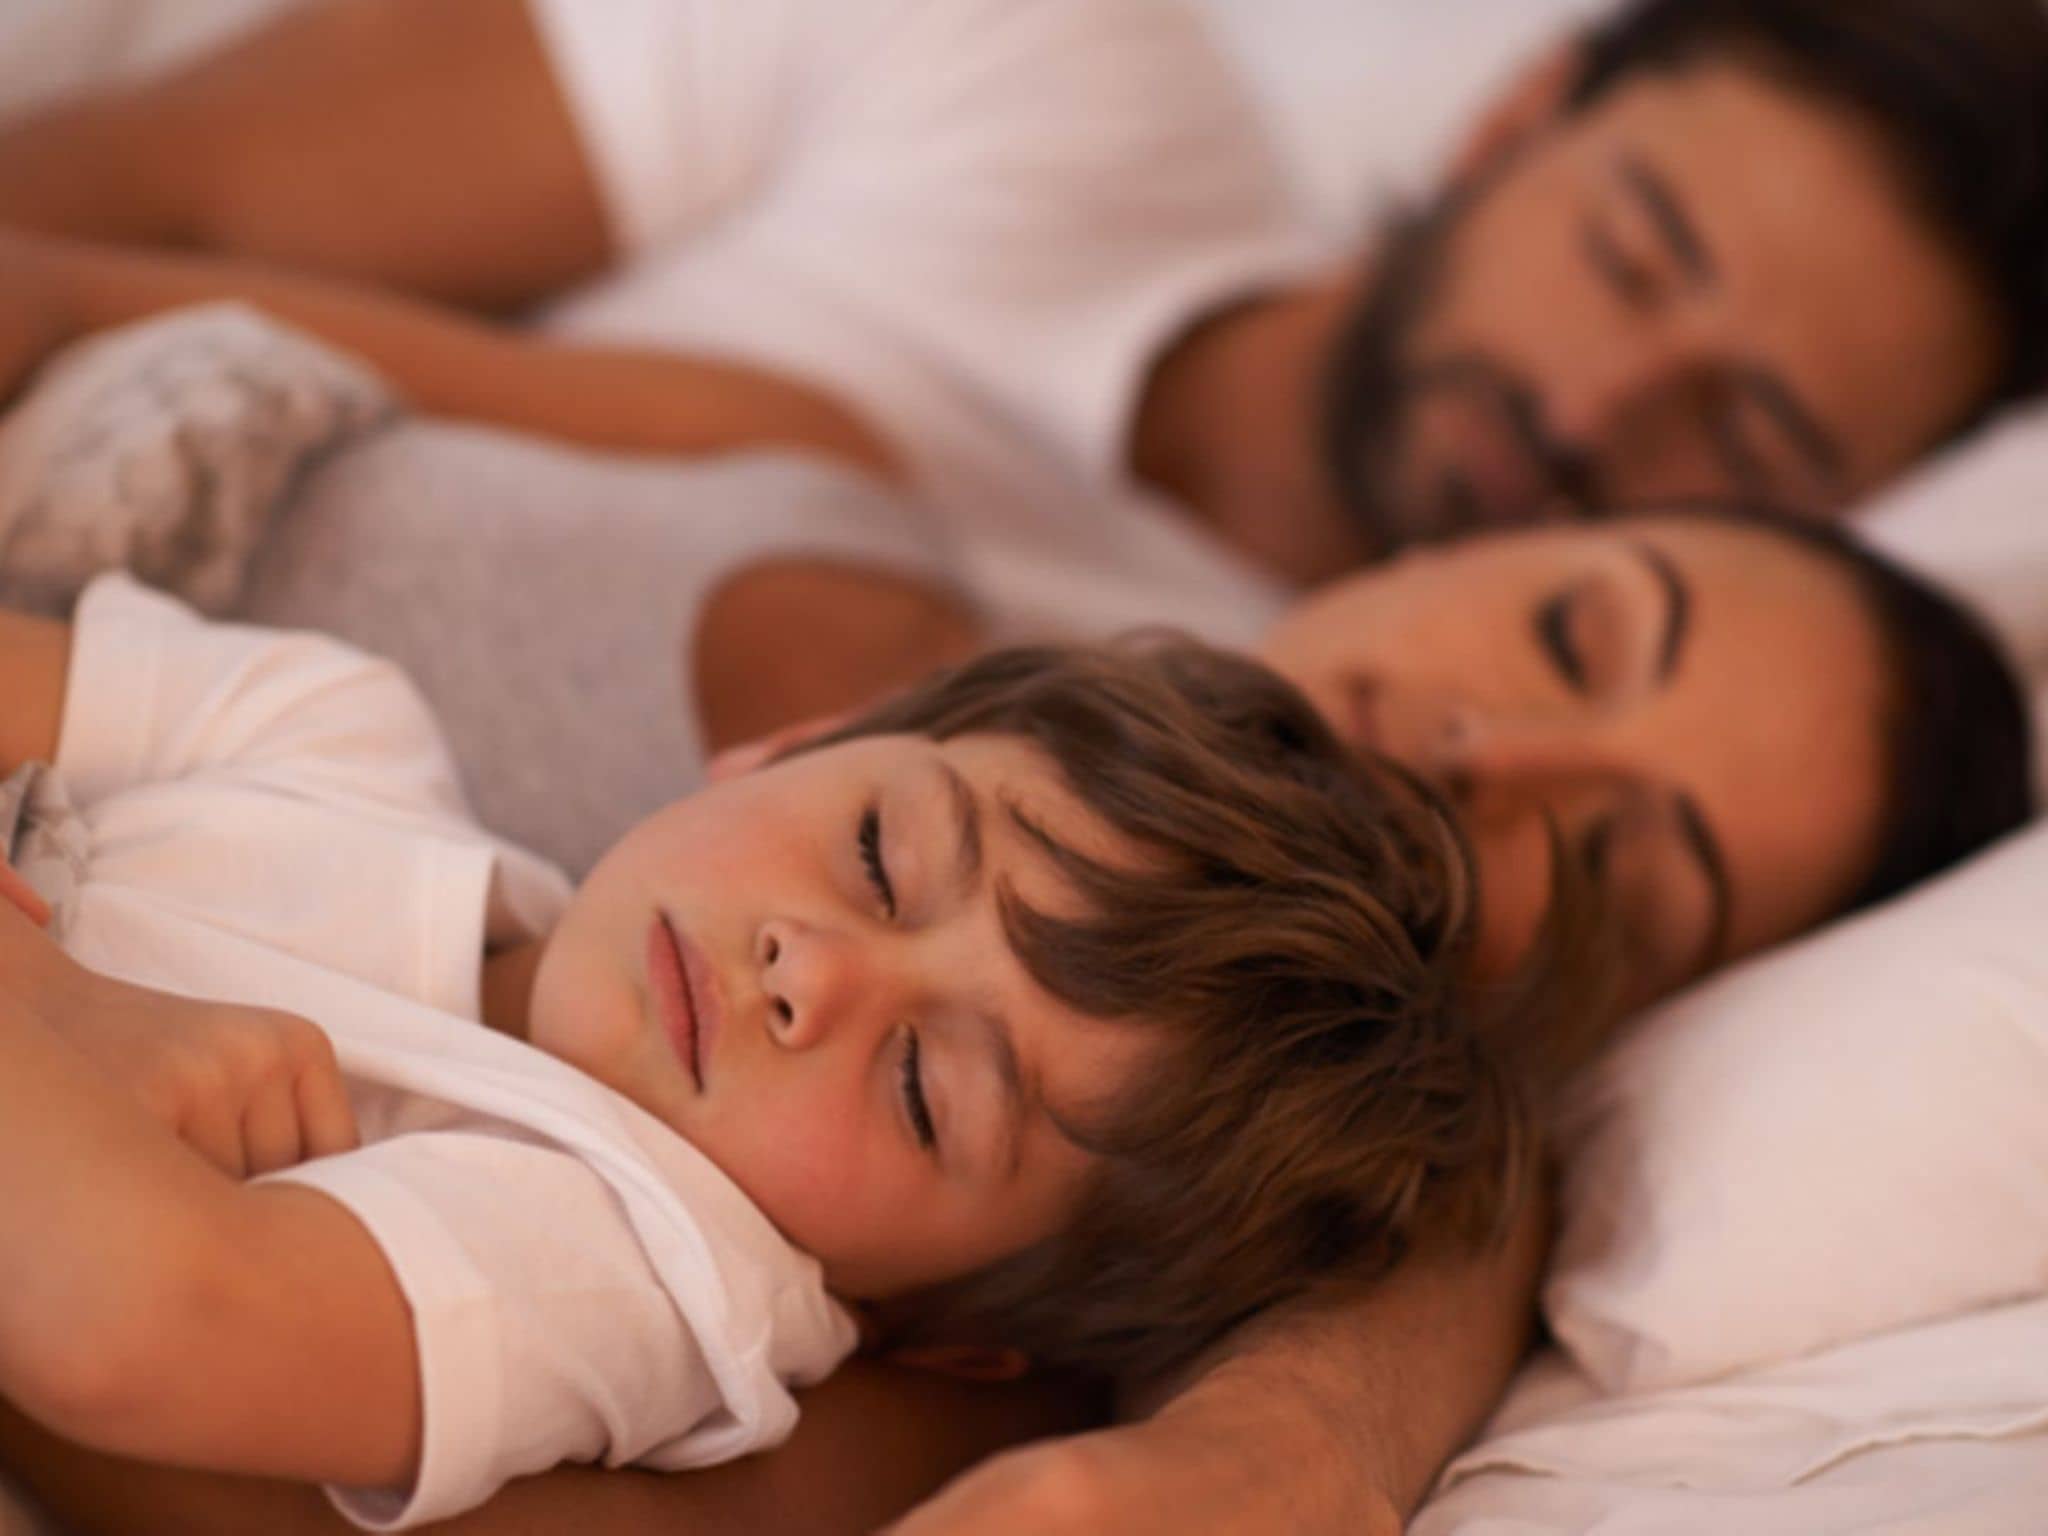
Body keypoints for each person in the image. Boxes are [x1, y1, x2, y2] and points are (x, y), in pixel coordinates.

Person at [0, 577, 1537, 1530]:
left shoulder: (636, 1268)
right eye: (878, 850)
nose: (821, 977)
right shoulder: (328, 725)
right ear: (794, 743)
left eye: (928, 1090)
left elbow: (135, 1319)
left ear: (936, 1336)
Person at [0, 0, 2041, 604]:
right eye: (1632, 255)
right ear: (1522, 112)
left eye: (1747, 436)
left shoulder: (1395, 784)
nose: (1605, 409)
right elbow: (151, 184)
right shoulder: (1020, 57)